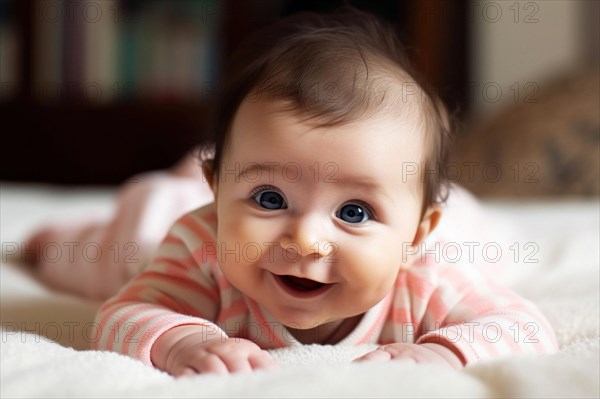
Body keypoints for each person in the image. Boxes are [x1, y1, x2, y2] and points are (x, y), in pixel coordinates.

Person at [31, 8, 558, 376]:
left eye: (354, 211)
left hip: (436, 214)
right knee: (123, 245)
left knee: (479, 231)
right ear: (216, 196)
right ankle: (67, 235)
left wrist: (446, 353)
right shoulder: (200, 244)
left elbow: (525, 327)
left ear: (415, 238)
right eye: (269, 199)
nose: (306, 240)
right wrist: (181, 340)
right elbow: (122, 314)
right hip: (168, 220)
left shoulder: (425, 280)